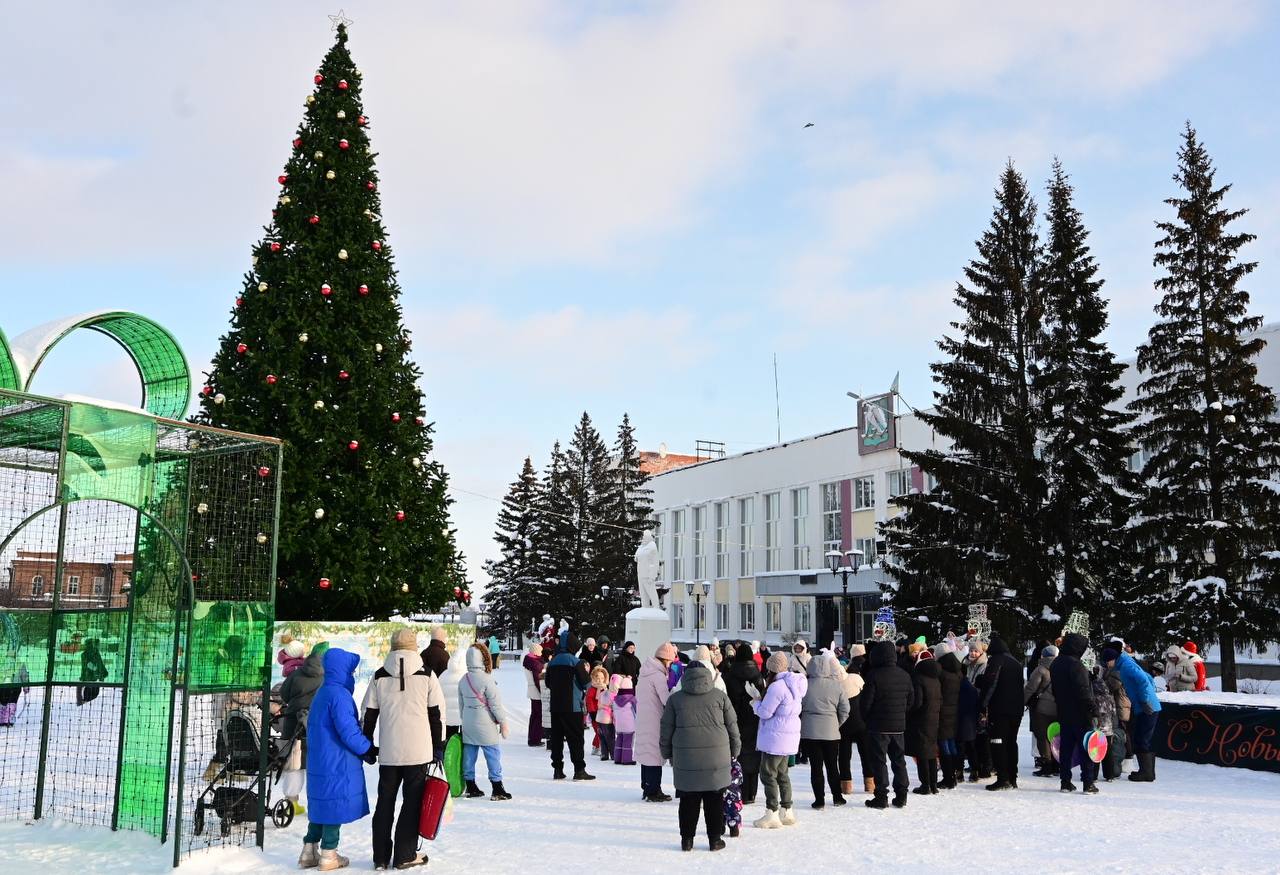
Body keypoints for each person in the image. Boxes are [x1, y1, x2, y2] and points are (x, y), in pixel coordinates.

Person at [361, 629, 445, 870]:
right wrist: (438, 746)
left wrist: (367, 743)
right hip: (418, 751)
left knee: (385, 802)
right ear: (414, 647)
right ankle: (405, 855)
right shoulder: (427, 675)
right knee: (412, 802)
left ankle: (380, 857)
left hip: (389, 751)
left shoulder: (378, 676)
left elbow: (369, 713)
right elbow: (437, 714)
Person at [299, 648, 375, 872]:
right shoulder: (339, 696)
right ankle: (329, 855)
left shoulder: (323, 692)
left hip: (320, 759)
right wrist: (367, 749)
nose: (352, 676)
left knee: (322, 804)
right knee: (334, 805)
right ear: (342, 671)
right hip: (337, 761)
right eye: (351, 672)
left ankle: (309, 850)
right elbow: (348, 732)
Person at [660, 658, 741, 852]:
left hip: (686, 759)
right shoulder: (720, 697)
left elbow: (666, 729)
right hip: (717, 758)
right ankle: (715, 840)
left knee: (688, 801)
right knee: (714, 801)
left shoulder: (675, 699)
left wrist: (667, 753)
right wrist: (735, 750)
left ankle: (687, 841)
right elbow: (732, 726)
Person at [751, 650, 806, 829]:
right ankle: (786, 810)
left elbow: (765, 713)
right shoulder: (794, 685)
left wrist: (755, 702)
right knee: (782, 774)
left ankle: (771, 812)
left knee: (768, 774)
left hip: (775, 737)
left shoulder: (776, 687)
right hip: (788, 737)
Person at [860, 640, 914, 809]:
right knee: (899, 761)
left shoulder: (874, 675)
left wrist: (868, 719)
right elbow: (911, 701)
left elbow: (865, 704)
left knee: (879, 762)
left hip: (878, 726)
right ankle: (902, 795)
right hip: (899, 726)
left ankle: (881, 796)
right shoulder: (904, 675)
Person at [279, 641, 328, 815]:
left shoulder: (297, 672)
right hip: (315, 725)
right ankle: (317, 803)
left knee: (295, 763)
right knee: (316, 764)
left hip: (292, 723)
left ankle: (292, 802)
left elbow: (283, 694)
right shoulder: (327, 676)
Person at [459, 643, 510, 801]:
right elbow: (495, 705)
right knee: (492, 754)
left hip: (468, 721)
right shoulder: (487, 680)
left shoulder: (463, 679)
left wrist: (465, 719)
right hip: (485, 723)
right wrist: (503, 722)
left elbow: (461, 705)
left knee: (469, 754)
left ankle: (470, 785)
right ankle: (497, 787)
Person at [1049, 632, 1097, 794]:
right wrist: (1092, 708)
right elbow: (1083, 691)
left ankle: (1065, 782)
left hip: (1063, 711)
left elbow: (1056, 689)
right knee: (1086, 747)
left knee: (1066, 748)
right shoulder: (1076, 665)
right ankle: (1088, 783)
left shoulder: (1056, 663)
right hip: (1081, 713)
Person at [799, 651, 849, 808]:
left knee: (816, 767)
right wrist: (836, 723)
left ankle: (819, 800)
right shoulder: (836, 685)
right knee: (832, 765)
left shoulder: (804, 686)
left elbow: (798, 708)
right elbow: (845, 710)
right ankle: (837, 796)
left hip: (809, 731)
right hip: (831, 732)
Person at [1104, 646, 1161, 782]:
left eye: (1107, 661)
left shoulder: (1126, 667)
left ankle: (1146, 773)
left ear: (1112, 659)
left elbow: (1143, 680)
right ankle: (1147, 771)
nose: (1106, 664)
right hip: (1144, 706)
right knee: (1140, 738)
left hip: (1147, 707)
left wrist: (1145, 700)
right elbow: (1148, 677)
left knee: (1142, 739)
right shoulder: (1126, 664)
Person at [978, 636, 1024, 791]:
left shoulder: (996, 661)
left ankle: (1002, 778)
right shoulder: (1016, 663)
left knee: (998, 743)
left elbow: (991, 684)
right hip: (1016, 711)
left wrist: (982, 705)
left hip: (1000, 710)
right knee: (1012, 743)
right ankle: (1013, 777)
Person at [546, 630, 594, 781]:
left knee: (557, 738)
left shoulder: (552, 662)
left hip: (555, 705)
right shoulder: (576, 662)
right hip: (572, 706)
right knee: (576, 738)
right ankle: (579, 769)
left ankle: (558, 769)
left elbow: (548, 683)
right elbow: (587, 683)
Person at [722, 641, 765, 804]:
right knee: (753, 754)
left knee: (736, 752)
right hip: (754, 718)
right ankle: (751, 792)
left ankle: (736, 789)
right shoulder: (758, 675)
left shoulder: (730, 674)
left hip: (735, 718)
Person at [637, 642, 677, 801]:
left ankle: (646, 787)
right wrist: (674, 691)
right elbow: (666, 699)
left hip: (643, 717)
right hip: (655, 719)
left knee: (646, 752)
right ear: (665, 660)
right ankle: (654, 790)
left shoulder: (645, 672)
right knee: (654, 754)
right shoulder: (658, 675)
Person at [906, 651, 941, 795]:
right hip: (934, 718)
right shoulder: (936, 679)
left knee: (921, 752)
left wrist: (909, 710)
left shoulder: (918, 678)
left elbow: (917, 702)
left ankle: (925, 785)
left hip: (920, 720)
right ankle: (933, 784)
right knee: (932, 751)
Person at [839, 644, 871, 796]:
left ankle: (846, 785)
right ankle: (870, 783)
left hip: (844, 723)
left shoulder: (841, 682)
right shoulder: (862, 680)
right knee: (866, 752)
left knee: (844, 755)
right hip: (862, 722)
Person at [1024, 644, 1059, 776]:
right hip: (1058, 709)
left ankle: (1047, 766)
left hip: (1042, 709)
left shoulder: (1040, 669)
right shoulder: (1061, 669)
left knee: (1042, 737)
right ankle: (1057, 765)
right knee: (1055, 737)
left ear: (1043, 656)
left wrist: (1022, 702)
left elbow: (1030, 689)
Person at [963, 639, 992, 780]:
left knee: (982, 737)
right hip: (970, 703)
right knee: (973, 735)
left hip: (981, 704)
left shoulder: (985, 665)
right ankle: (975, 763)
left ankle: (985, 765)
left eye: (976, 651)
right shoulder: (968, 665)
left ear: (982, 652)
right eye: (971, 650)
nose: (973, 653)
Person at [935, 650, 962, 789]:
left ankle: (948, 778)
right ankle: (954, 775)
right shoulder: (958, 673)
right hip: (955, 712)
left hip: (943, 713)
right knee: (951, 744)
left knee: (944, 745)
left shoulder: (942, 674)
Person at [1101, 664, 1131, 781]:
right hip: (1120, 707)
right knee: (1119, 736)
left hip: (1120, 708)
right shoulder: (1117, 670)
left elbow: (1112, 686)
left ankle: (1123, 763)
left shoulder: (1116, 671)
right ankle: (1117, 767)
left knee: (1119, 736)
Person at [587, 665, 615, 761]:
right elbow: (592, 700)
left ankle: (597, 747)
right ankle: (597, 747)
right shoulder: (592, 689)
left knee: (602, 732)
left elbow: (609, 698)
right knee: (599, 732)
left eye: (602, 678)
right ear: (593, 678)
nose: (600, 680)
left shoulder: (605, 688)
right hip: (595, 713)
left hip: (605, 714)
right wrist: (592, 712)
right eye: (597, 677)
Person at [612, 674, 638, 765]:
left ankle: (617, 758)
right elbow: (636, 710)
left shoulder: (615, 699)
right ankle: (627, 759)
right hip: (629, 724)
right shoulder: (632, 699)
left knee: (619, 739)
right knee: (628, 741)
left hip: (618, 723)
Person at [523, 642, 545, 746]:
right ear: (536, 652)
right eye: (540, 651)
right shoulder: (535, 663)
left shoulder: (529, 660)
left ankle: (532, 737)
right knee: (538, 716)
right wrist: (543, 691)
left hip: (532, 691)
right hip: (536, 692)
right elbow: (538, 680)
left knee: (534, 715)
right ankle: (535, 739)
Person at [77, 638, 108, 706]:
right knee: (91, 692)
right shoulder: (91, 653)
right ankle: (85, 703)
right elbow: (91, 664)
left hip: (91, 677)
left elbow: (99, 663)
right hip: (92, 677)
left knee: (90, 692)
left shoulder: (92, 653)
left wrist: (101, 672)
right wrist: (100, 671)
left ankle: (85, 703)